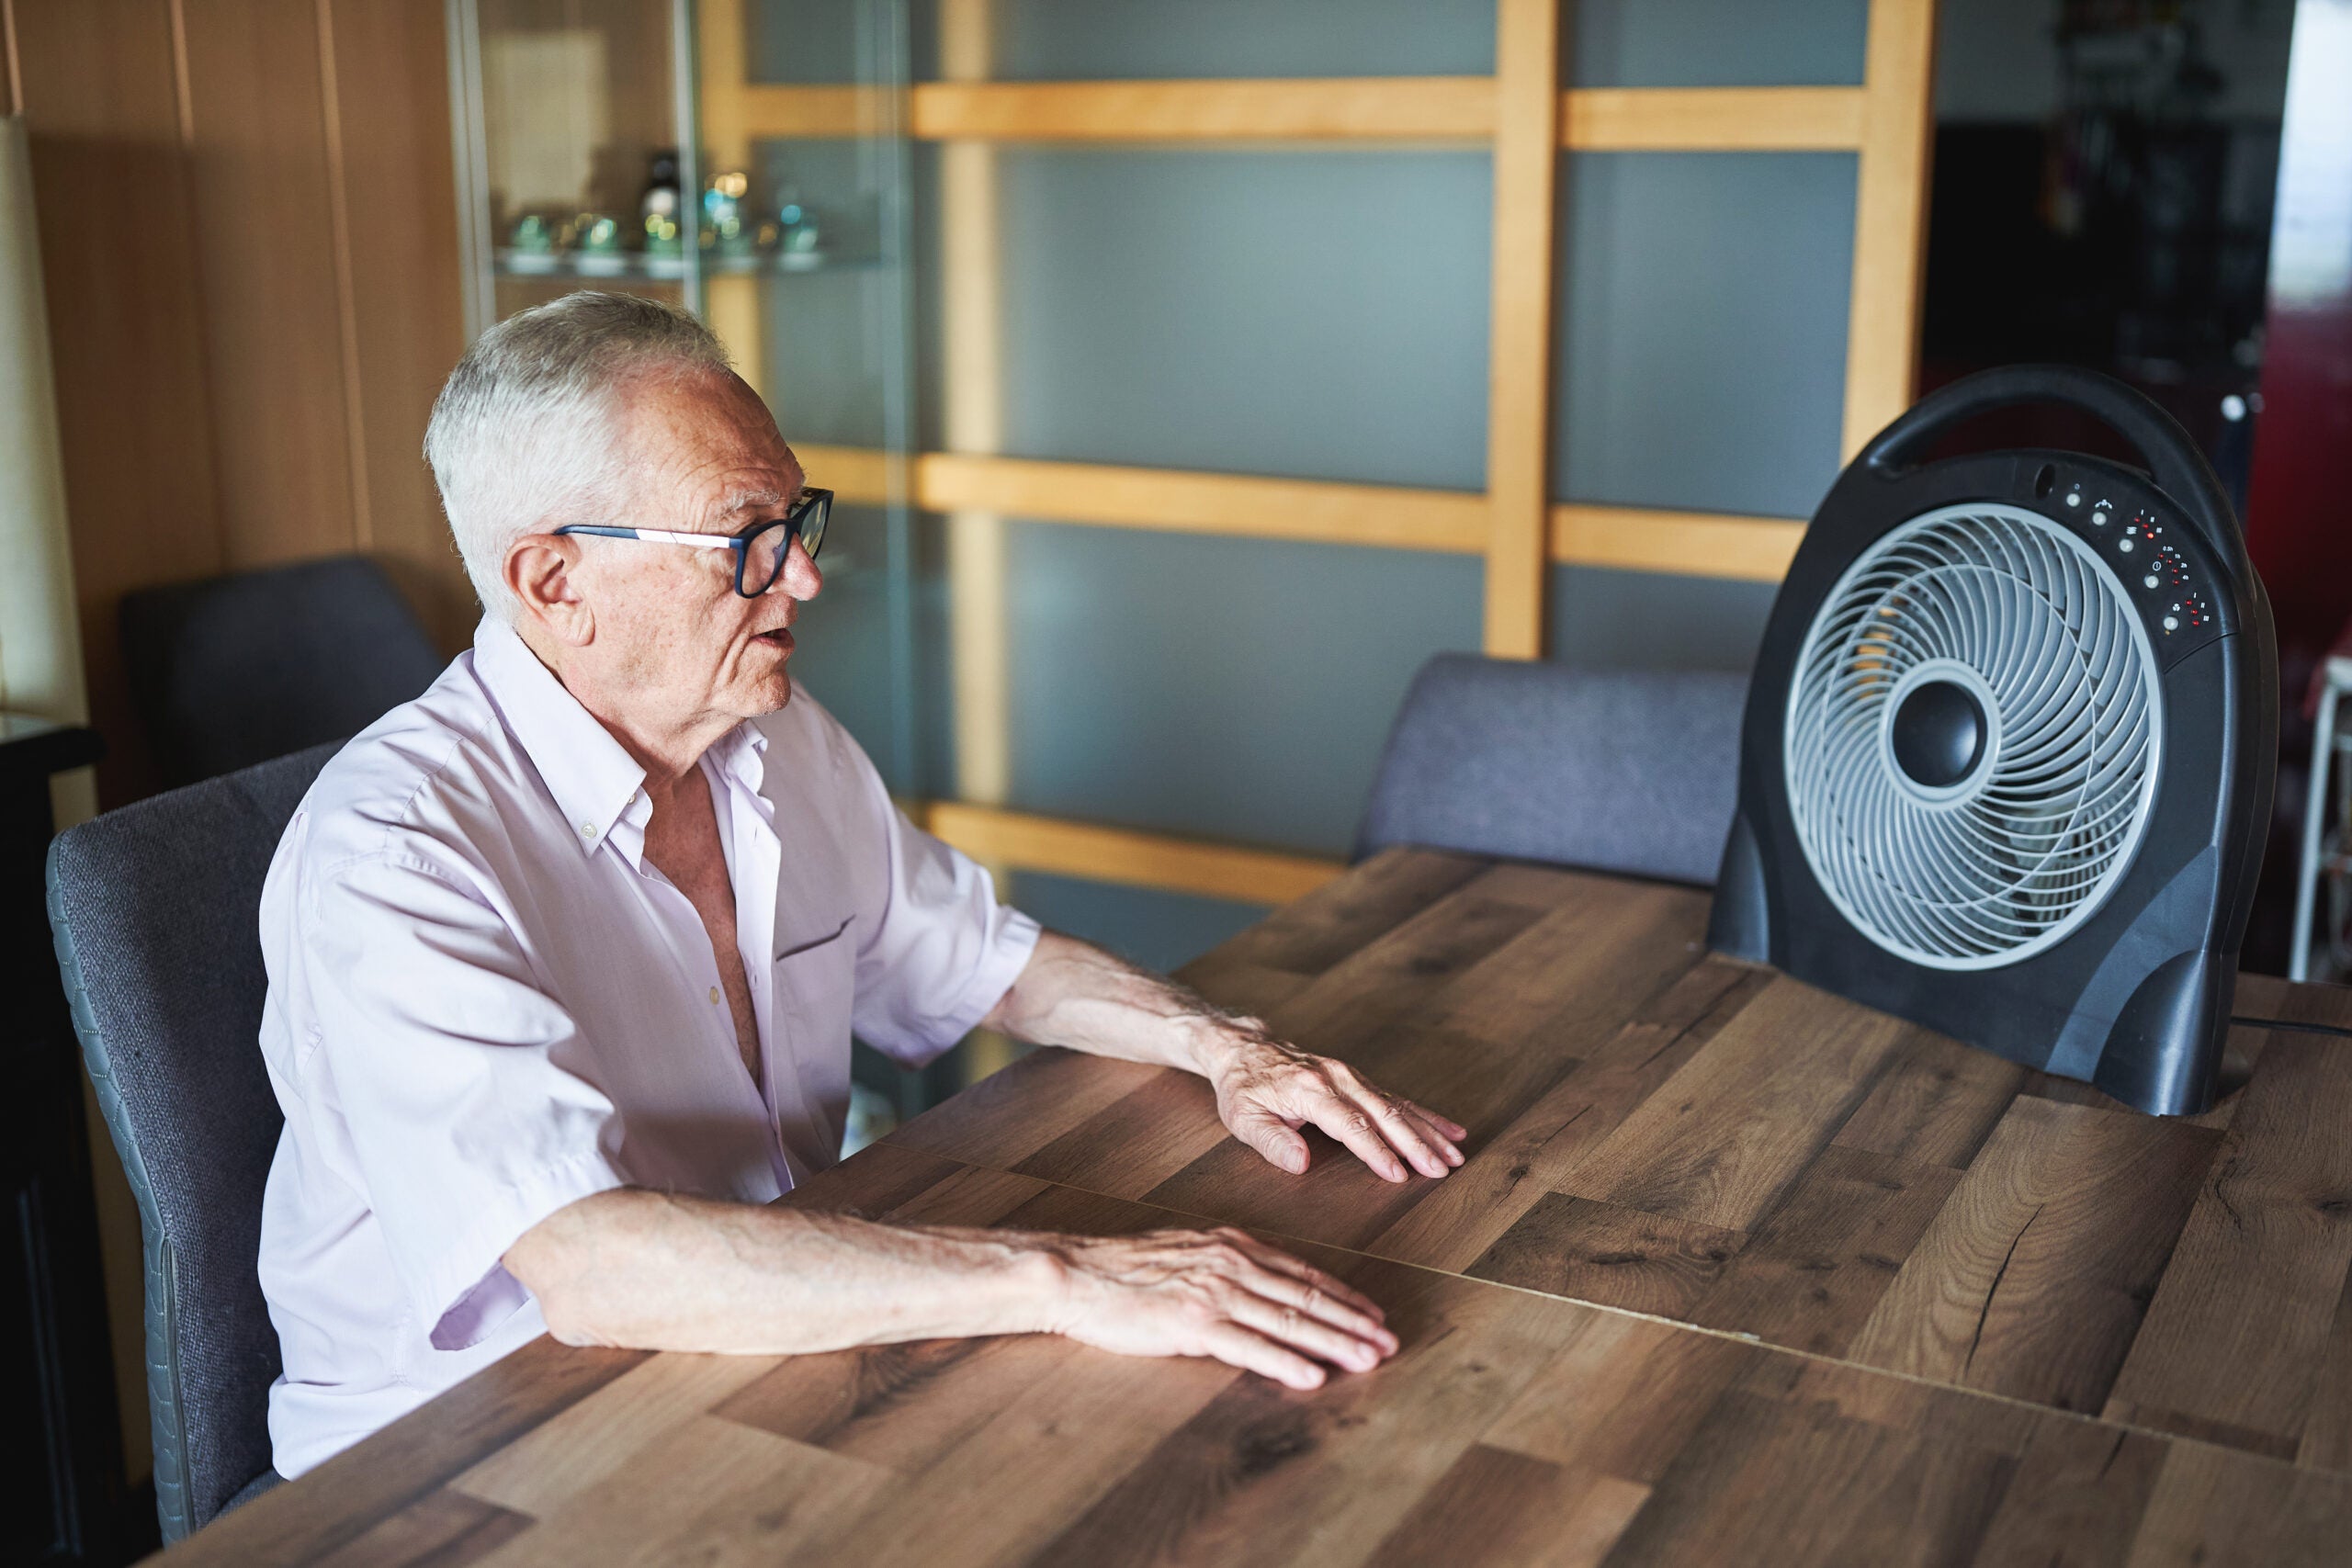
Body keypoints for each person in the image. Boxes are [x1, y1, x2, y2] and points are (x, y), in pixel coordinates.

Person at [254, 291, 1466, 1478]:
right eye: (745, 540)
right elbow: (586, 1264)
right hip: (467, 1459)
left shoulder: (770, 737)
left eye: (798, 520)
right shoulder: (395, 855)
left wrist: (1224, 1047)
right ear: (554, 582)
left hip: (759, 1348)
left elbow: (992, 962)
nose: (806, 581)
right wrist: (1059, 1279)